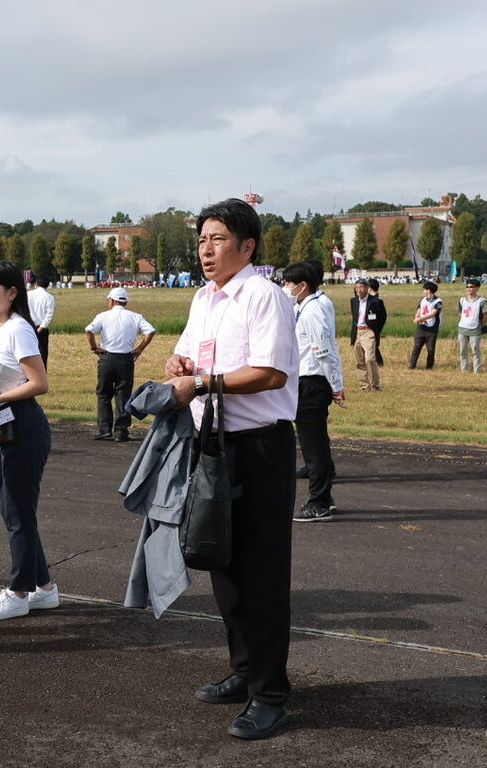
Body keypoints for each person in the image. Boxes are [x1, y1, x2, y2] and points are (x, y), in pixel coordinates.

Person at [165, 199, 298, 740]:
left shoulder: (263, 296)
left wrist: (201, 383)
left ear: (247, 247)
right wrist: (181, 366)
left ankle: (271, 695)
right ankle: (244, 671)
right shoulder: (204, 299)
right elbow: (188, 359)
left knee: (262, 573)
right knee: (220, 561)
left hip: (260, 447)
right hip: (214, 443)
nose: (205, 249)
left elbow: (269, 373)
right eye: (202, 239)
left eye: (217, 239)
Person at [0, 260, 59, 622]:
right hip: (3, 425)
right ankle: (45, 589)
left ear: (12, 292)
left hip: (23, 425)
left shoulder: (19, 330)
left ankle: (19, 592)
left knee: (17, 513)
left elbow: (39, 383)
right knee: (15, 511)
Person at [282, 261, 344, 523]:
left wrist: (336, 385)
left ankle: (318, 502)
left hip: (311, 382)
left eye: (288, 283)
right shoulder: (305, 306)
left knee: (313, 446)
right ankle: (324, 498)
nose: (285, 288)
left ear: (302, 285)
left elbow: (323, 351)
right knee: (315, 443)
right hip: (305, 381)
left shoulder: (312, 311)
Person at [85, 287, 156, 442]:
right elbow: (150, 331)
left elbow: (89, 330)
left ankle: (104, 429)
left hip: (107, 358)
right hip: (126, 359)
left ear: (111, 301)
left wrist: (94, 347)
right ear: (125, 301)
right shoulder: (136, 317)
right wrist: (139, 349)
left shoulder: (103, 316)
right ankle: (121, 431)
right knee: (123, 394)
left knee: (104, 394)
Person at [349, 279, 385, 391]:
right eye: (356, 288)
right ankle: (364, 385)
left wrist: (375, 330)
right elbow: (354, 317)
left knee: (370, 359)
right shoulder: (354, 301)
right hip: (357, 331)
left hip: (369, 331)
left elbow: (382, 317)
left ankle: (375, 385)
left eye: (361, 287)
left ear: (367, 288)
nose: (358, 290)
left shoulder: (376, 302)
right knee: (359, 360)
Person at [456, 278, 487, 372]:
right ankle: (464, 370)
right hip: (462, 329)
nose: (468, 289)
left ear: (477, 288)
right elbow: (460, 312)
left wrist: (480, 325)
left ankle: (477, 371)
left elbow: (485, 316)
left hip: (475, 329)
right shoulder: (462, 300)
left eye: (471, 287)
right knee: (462, 351)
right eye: (467, 286)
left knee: (475, 351)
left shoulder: (482, 301)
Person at [409, 281, 443, 369]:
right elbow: (419, 310)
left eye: (425, 289)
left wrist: (421, 319)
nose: (423, 291)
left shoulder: (438, 302)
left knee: (431, 349)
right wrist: (417, 318)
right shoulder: (422, 300)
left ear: (429, 290)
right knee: (416, 347)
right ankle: (412, 366)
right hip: (421, 328)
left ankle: (429, 367)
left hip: (432, 329)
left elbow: (433, 314)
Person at [26, 276, 55, 368]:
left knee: (26, 353)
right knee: (42, 354)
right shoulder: (49, 297)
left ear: (36, 284)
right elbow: (48, 316)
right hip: (41, 329)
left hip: (27, 327)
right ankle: (41, 378)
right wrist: (40, 329)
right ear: (47, 286)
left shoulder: (28, 294)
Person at [367, 278, 386, 367]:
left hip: (374, 327)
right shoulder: (368, 299)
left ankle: (379, 363)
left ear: (369, 288)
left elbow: (383, 316)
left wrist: (377, 328)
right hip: (368, 327)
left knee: (373, 346)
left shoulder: (378, 301)